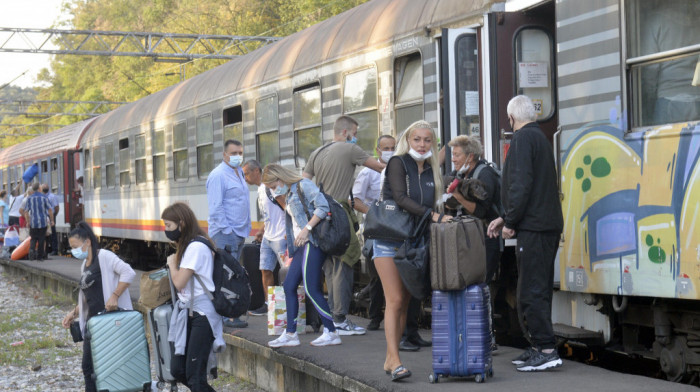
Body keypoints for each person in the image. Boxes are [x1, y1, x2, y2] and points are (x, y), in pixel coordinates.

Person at [487, 95, 564, 372]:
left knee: (530, 290)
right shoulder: (540, 138)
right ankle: (539, 347)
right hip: (544, 224)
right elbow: (533, 187)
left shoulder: (520, 141)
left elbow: (520, 186)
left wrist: (511, 221)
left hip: (534, 227)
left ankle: (545, 348)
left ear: (511, 118)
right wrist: (504, 217)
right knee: (537, 287)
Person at [373, 120, 449, 381]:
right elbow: (401, 198)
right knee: (394, 300)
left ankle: (389, 358)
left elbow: (430, 202)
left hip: (414, 241)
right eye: (417, 139)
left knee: (405, 302)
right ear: (408, 139)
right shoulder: (398, 162)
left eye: (427, 140)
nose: (422, 144)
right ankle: (394, 360)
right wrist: (434, 216)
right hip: (388, 239)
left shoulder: (431, 170)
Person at [303, 115, 385, 336]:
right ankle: (340, 318)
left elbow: (304, 182)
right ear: (346, 132)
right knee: (345, 263)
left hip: (320, 215)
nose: (355, 138)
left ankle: (331, 315)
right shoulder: (350, 150)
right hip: (339, 213)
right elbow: (380, 168)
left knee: (330, 266)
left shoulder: (316, 152)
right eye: (355, 133)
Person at [263, 164, 342, 348]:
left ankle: (331, 331)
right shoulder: (289, 193)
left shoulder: (303, 185)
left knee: (311, 288)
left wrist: (307, 229)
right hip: (301, 245)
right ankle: (290, 333)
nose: (274, 191)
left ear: (281, 178)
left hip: (313, 242)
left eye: (274, 186)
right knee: (289, 285)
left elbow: (322, 207)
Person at [60, 221, 136, 392]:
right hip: (92, 323)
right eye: (71, 247)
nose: (73, 251)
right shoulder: (84, 265)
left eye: (75, 246)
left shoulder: (105, 257)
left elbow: (129, 273)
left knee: (106, 367)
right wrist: (73, 313)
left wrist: (115, 295)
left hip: (108, 322)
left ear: (87, 242)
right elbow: (88, 296)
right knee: (88, 367)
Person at [445, 135, 503, 351]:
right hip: (472, 238)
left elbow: (481, 211)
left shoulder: (484, 173)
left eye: (457, 155)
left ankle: (488, 340)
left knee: (481, 287)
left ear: (470, 156)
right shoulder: (464, 173)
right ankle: (474, 336)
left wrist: (457, 195)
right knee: (471, 286)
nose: (453, 159)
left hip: (486, 238)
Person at [162, 202, 225, 392]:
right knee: (178, 369)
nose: (166, 230)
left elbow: (180, 282)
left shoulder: (196, 247)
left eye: (169, 226)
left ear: (181, 223)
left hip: (202, 314)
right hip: (189, 312)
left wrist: (172, 264)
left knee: (195, 377)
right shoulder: (191, 245)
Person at [352, 135, 395, 332]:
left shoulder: (398, 169)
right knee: (377, 274)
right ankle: (375, 317)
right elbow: (356, 201)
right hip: (374, 229)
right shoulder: (367, 173)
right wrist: (376, 214)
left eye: (393, 147)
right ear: (378, 150)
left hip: (396, 229)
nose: (390, 150)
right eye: (386, 147)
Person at [206, 139, 251, 329]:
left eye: (240, 152)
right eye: (234, 153)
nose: (238, 156)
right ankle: (225, 316)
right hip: (226, 233)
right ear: (225, 155)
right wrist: (228, 231)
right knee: (225, 275)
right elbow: (216, 207)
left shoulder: (239, 172)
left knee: (234, 275)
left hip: (239, 232)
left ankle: (231, 312)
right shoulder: (218, 176)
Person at [242, 159, 287, 316]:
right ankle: (269, 306)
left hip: (281, 236)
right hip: (268, 238)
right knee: (265, 270)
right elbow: (269, 215)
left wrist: (291, 230)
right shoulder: (260, 190)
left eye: (246, 174)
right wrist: (261, 230)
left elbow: (287, 207)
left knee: (286, 272)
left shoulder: (272, 187)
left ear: (256, 171)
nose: (245, 178)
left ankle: (288, 306)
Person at [24, 183, 54, 261]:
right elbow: (50, 210)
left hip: (33, 222)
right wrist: (52, 220)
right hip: (43, 221)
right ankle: (39, 257)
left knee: (33, 238)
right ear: (39, 189)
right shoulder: (44, 198)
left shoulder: (29, 198)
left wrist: (28, 221)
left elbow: (26, 211)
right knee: (41, 239)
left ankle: (31, 250)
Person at [41, 184, 60, 255]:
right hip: (48, 215)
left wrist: (53, 216)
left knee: (52, 233)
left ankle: (54, 249)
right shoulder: (52, 196)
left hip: (49, 215)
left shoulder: (51, 196)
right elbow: (57, 207)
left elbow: (56, 208)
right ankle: (49, 249)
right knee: (47, 233)